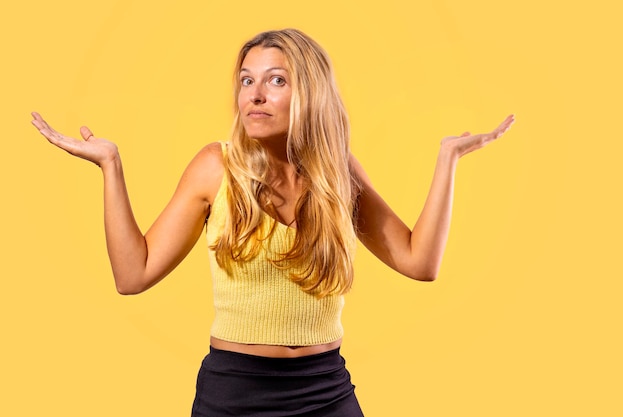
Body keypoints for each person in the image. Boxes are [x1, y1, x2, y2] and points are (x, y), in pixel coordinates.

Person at [31, 28, 514, 417]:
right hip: (234, 393)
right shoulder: (215, 167)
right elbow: (132, 275)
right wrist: (110, 165)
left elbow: (419, 261)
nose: (255, 95)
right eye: (246, 80)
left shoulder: (335, 173)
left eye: (276, 80)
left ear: (309, 92)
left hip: (326, 390)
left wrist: (447, 160)